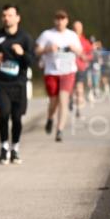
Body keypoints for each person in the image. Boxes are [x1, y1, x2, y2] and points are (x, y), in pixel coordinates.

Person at [0, 4, 35, 165]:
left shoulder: (25, 38)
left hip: (19, 84)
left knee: (16, 118)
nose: (6, 18)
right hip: (2, 83)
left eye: (9, 15)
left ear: (17, 18)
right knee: (3, 115)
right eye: (4, 16)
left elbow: (31, 61)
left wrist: (22, 53)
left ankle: (15, 148)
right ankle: (3, 147)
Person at [35, 9, 82, 142]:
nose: (60, 21)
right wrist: (47, 49)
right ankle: (50, 118)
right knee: (54, 101)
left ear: (67, 21)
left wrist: (74, 49)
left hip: (68, 71)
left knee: (63, 100)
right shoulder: (47, 34)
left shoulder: (72, 35)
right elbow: (37, 51)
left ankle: (59, 130)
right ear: (54, 20)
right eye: (58, 19)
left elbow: (81, 53)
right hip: (52, 71)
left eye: (63, 19)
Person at [71, 20, 94, 118]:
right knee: (71, 89)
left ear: (81, 29)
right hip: (68, 68)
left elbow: (91, 55)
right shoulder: (68, 39)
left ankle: (78, 110)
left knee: (79, 89)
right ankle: (70, 100)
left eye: (78, 28)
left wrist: (85, 57)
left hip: (80, 68)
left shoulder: (85, 41)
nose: (77, 30)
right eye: (75, 28)